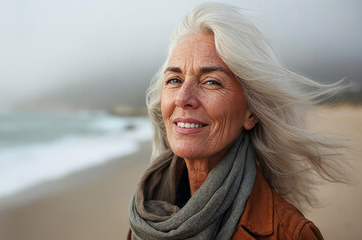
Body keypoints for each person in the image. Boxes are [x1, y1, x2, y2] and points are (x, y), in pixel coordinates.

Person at [128, 3, 348, 240]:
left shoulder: (289, 234)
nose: (183, 98)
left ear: (251, 113)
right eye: (174, 80)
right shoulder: (146, 218)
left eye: (211, 81)